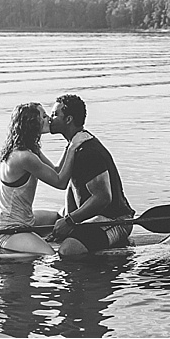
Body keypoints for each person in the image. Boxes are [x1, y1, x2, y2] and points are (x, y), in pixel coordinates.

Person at [48, 94, 135, 257]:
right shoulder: (74, 145)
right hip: (93, 219)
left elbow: (103, 197)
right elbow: (68, 185)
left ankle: (113, 256)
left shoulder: (87, 152)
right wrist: (70, 219)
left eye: (54, 114)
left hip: (116, 221)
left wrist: (69, 221)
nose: (50, 119)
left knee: (68, 250)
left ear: (68, 119)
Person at [0, 102, 81, 256]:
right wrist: (73, 148)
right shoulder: (23, 157)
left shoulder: (31, 149)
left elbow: (57, 171)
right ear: (32, 123)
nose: (49, 119)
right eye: (44, 116)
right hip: (8, 231)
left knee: (61, 218)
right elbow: (60, 182)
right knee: (51, 255)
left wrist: (70, 143)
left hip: (26, 220)